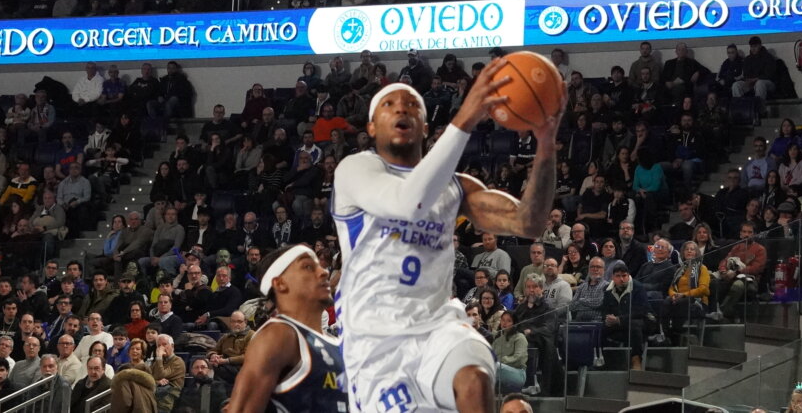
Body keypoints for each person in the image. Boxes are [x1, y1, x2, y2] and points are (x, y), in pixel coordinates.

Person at [331, 60, 560, 413]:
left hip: (437, 325)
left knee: (473, 376)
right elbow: (409, 202)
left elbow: (529, 222)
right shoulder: (356, 169)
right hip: (376, 343)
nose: (401, 108)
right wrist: (466, 118)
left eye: (411, 105)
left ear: (424, 127)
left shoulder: (456, 189)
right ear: (371, 126)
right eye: (389, 104)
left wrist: (546, 144)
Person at [222, 245, 345, 413]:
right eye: (308, 267)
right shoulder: (281, 334)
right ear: (280, 284)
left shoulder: (336, 343)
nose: (323, 272)